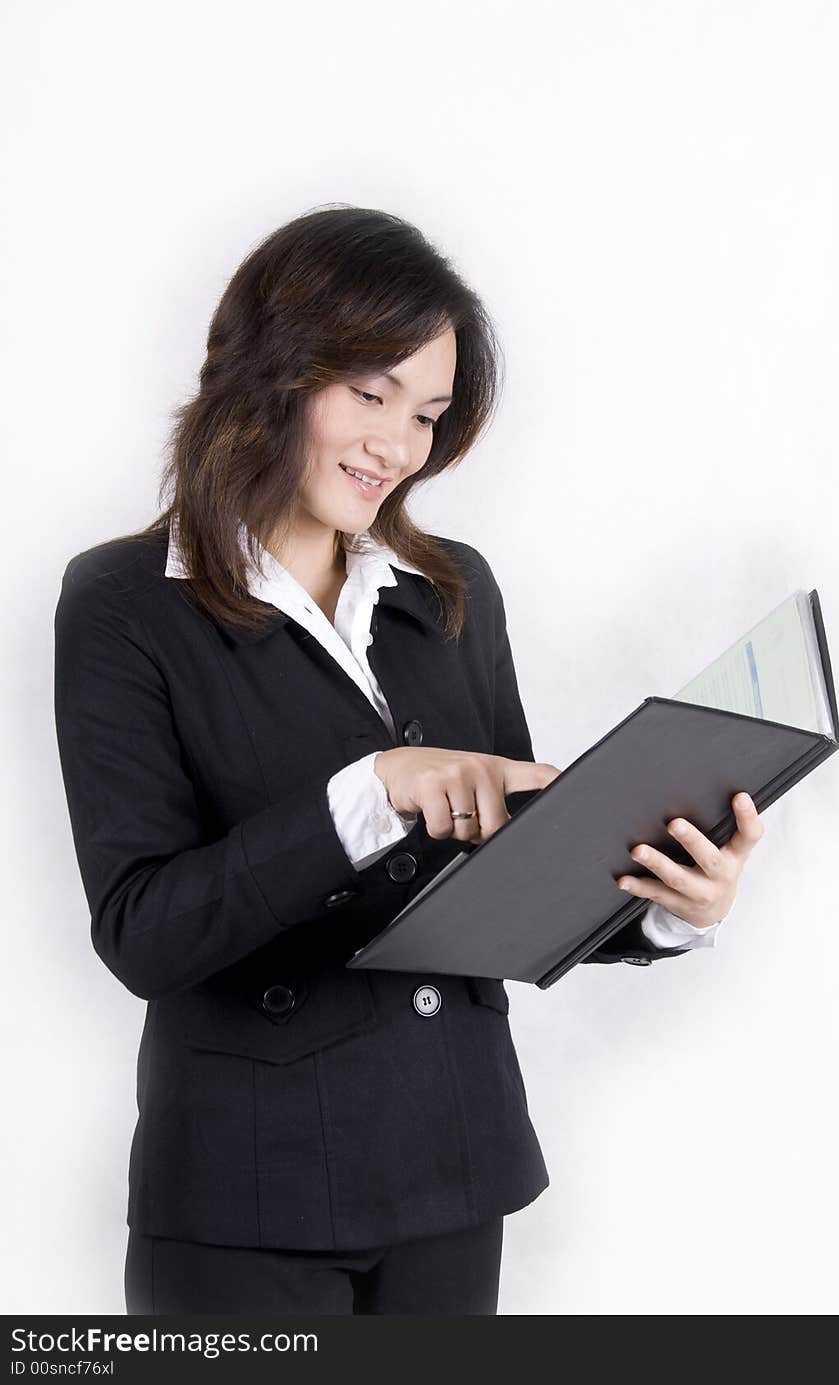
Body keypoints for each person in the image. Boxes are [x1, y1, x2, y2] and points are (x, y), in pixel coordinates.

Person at [53, 205, 764, 1316]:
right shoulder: (123, 604)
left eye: (427, 412)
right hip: (248, 1196)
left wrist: (673, 901)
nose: (398, 444)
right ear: (269, 370)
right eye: (370, 393)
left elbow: (519, 874)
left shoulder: (452, 591)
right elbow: (145, 930)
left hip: (453, 1165)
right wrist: (366, 794)